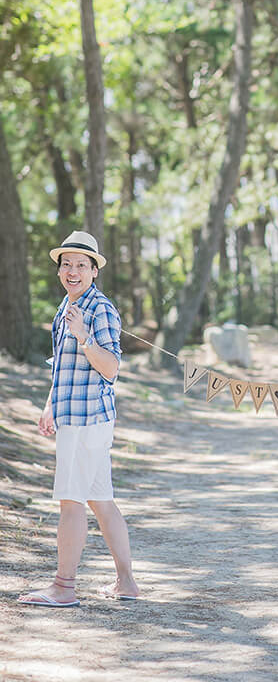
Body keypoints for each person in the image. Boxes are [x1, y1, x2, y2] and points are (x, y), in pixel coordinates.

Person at [18, 230, 139, 607]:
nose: (73, 270)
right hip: (74, 415)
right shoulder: (66, 304)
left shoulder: (98, 308)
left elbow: (111, 368)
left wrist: (85, 336)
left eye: (81, 265)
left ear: (94, 271)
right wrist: (50, 404)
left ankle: (64, 587)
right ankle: (127, 584)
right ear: (59, 271)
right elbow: (64, 366)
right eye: (67, 264)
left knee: (70, 502)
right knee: (101, 500)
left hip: (88, 420)